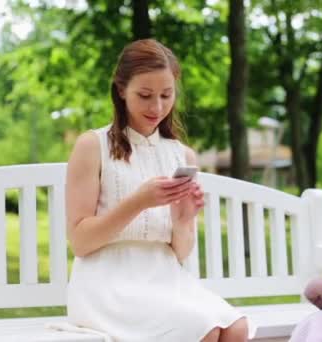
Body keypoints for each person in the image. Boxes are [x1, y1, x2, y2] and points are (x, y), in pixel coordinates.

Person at [65, 39, 254, 342]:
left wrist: (182, 220)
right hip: (107, 283)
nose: (157, 107)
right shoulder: (92, 145)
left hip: (165, 278)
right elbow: (80, 242)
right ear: (121, 90)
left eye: (166, 95)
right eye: (145, 95)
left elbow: (180, 252)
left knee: (236, 328)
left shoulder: (182, 156)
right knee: (203, 329)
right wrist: (139, 202)